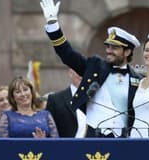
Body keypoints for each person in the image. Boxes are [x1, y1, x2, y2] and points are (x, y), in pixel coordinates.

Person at [40, 0, 142, 137]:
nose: (109, 51)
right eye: (108, 46)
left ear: (128, 52)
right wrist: (53, 27)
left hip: (123, 141)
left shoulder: (137, 79)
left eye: (115, 47)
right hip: (93, 137)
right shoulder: (96, 66)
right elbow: (67, 54)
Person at [46, 68, 86, 137]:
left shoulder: (98, 99)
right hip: (65, 146)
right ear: (70, 73)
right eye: (78, 70)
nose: (81, 74)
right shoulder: (55, 99)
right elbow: (49, 131)